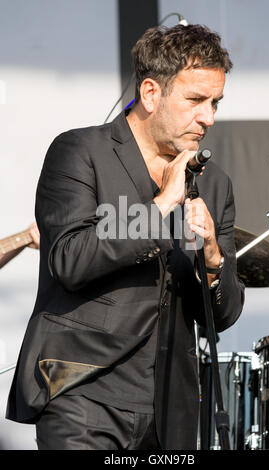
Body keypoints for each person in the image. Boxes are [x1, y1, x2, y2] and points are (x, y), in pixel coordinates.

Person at [6, 24, 244, 450]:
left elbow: (221, 315)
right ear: (151, 93)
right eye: (195, 100)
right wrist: (160, 207)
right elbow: (69, 259)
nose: (208, 117)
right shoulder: (80, 151)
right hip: (81, 391)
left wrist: (213, 259)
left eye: (215, 103)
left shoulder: (214, 183)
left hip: (170, 407)